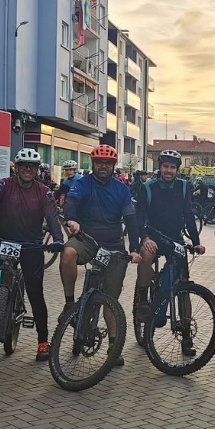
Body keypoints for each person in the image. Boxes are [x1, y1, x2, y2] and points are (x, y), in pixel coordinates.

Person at [0, 149, 64, 361]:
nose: (28, 169)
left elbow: (52, 218)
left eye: (32, 166)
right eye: (23, 165)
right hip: (4, 241)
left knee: (35, 294)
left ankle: (42, 342)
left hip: (31, 246)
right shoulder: (4, 185)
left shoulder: (44, 192)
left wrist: (58, 239)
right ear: (16, 167)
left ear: (37, 170)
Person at [60, 144, 141, 366]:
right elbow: (71, 204)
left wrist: (134, 248)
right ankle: (69, 303)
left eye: (107, 163)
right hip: (87, 240)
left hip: (113, 245)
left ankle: (113, 348)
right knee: (67, 253)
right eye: (99, 162)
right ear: (93, 163)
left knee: (111, 301)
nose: (103, 166)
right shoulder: (82, 184)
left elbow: (131, 219)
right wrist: (72, 219)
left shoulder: (122, 190)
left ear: (113, 166)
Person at [134, 150, 204, 356]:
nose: (168, 171)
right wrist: (144, 238)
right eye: (165, 166)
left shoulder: (184, 186)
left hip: (174, 238)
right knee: (146, 256)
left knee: (183, 284)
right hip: (153, 236)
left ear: (177, 169)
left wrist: (196, 243)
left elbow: (189, 215)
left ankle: (186, 334)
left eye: (172, 167)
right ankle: (143, 299)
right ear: (160, 167)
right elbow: (139, 217)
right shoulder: (148, 187)